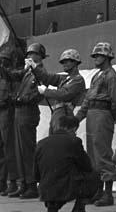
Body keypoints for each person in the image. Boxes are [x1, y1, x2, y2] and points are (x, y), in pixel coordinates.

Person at [75, 42, 116, 207]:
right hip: (92, 114)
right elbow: (87, 99)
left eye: (99, 55)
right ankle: (98, 191)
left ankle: (108, 194)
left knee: (102, 153)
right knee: (93, 154)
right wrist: (77, 118)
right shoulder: (97, 76)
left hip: (103, 114)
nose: (96, 58)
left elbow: (115, 100)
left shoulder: (111, 76)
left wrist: (113, 116)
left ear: (108, 57)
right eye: (95, 55)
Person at [5, 42, 47, 199]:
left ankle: (31, 184)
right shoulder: (28, 72)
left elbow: (39, 94)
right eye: (28, 54)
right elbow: (13, 75)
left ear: (39, 56)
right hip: (19, 112)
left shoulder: (40, 72)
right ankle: (23, 183)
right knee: (18, 150)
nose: (28, 57)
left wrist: (23, 99)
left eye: (31, 54)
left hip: (28, 112)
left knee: (27, 150)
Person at [34, 114, 100, 212]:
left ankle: (52, 205)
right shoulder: (74, 141)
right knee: (94, 175)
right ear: (73, 129)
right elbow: (87, 166)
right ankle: (80, 206)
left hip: (45, 189)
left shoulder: (41, 143)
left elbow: (35, 173)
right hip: (66, 189)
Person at [33, 49, 86, 133]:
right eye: (63, 62)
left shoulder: (78, 80)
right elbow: (46, 77)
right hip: (57, 113)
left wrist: (46, 91)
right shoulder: (64, 78)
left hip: (65, 114)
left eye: (66, 61)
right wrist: (35, 67)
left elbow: (64, 94)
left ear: (75, 62)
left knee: (61, 140)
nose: (64, 64)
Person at [0, 49, 17, 197]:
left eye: (5, 59)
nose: (2, 61)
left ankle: (12, 181)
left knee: (8, 148)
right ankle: (1, 182)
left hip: (7, 112)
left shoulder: (12, 76)